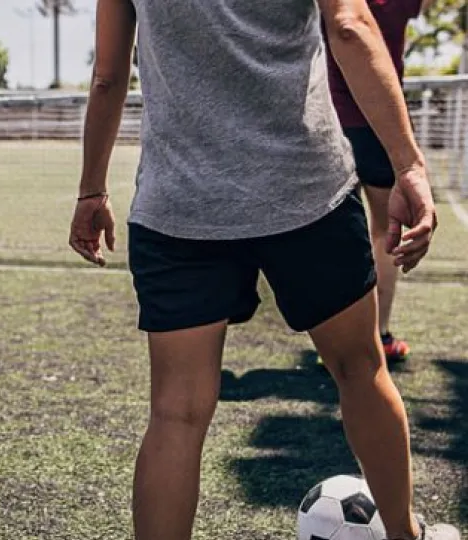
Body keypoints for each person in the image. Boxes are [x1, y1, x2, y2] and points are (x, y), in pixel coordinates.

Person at [69, 0, 456, 539]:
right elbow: (349, 25)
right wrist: (408, 165)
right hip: (306, 191)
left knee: (176, 413)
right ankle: (403, 535)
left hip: (180, 204)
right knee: (359, 369)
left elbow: (109, 77)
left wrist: (92, 187)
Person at [324, 0, 436, 363]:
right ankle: (379, 335)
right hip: (378, 126)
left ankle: (338, 342)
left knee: (331, 233)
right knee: (384, 230)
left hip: (328, 123)